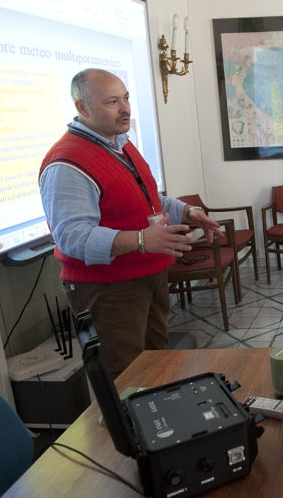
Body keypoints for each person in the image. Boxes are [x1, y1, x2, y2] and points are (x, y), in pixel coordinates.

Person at [39, 68, 222, 378]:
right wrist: (141, 240)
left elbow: (149, 200)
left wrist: (188, 211)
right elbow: (71, 236)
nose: (125, 108)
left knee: (154, 369)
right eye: (112, 102)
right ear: (82, 107)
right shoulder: (66, 162)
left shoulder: (121, 144)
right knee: (126, 377)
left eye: (125, 98)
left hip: (150, 278)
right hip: (110, 290)